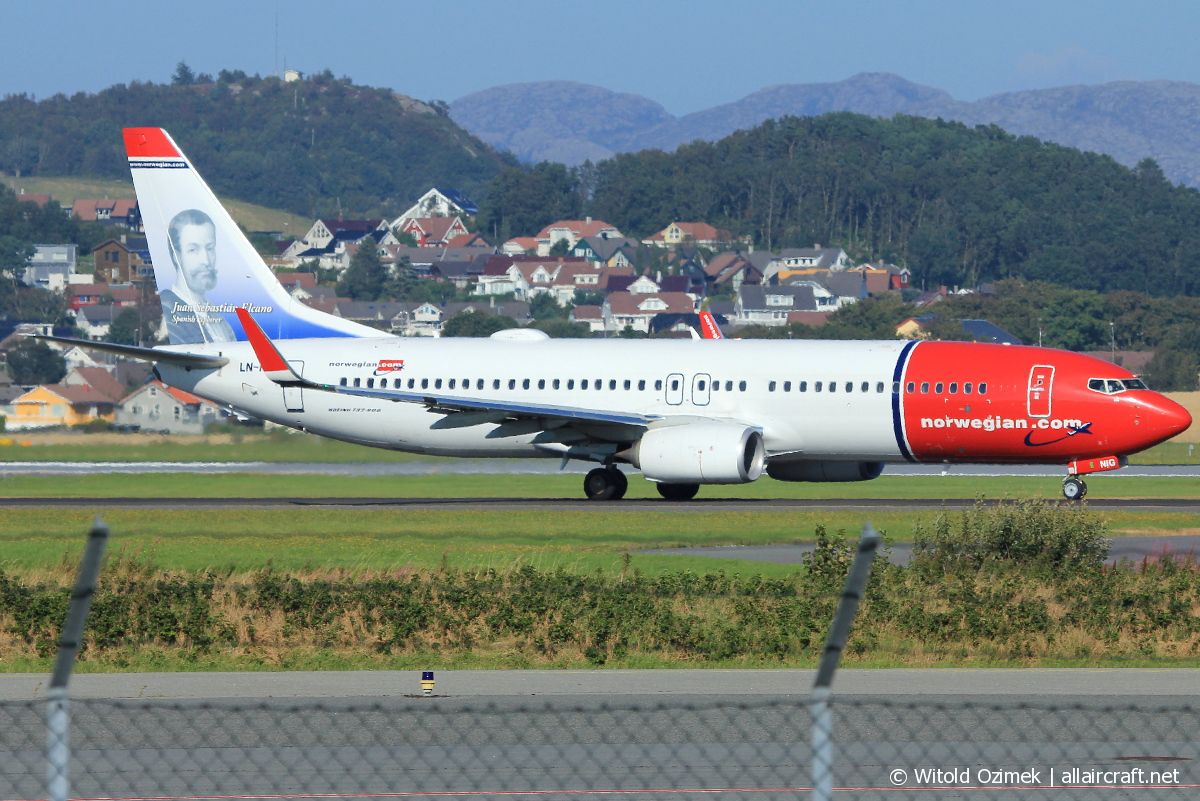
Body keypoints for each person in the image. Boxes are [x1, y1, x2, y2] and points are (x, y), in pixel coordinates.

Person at [160, 208, 236, 344]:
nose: (206, 261)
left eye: (210, 248)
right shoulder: (169, 314)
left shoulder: (218, 319)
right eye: (193, 250)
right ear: (177, 256)